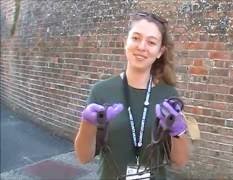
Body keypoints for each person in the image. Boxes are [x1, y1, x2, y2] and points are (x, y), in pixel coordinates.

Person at [74, 11, 189, 179]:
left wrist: (178, 132)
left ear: (160, 51)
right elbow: (83, 157)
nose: (141, 47)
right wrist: (87, 124)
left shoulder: (168, 95)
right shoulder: (101, 91)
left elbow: (180, 161)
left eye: (151, 42)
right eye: (135, 38)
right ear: (125, 42)